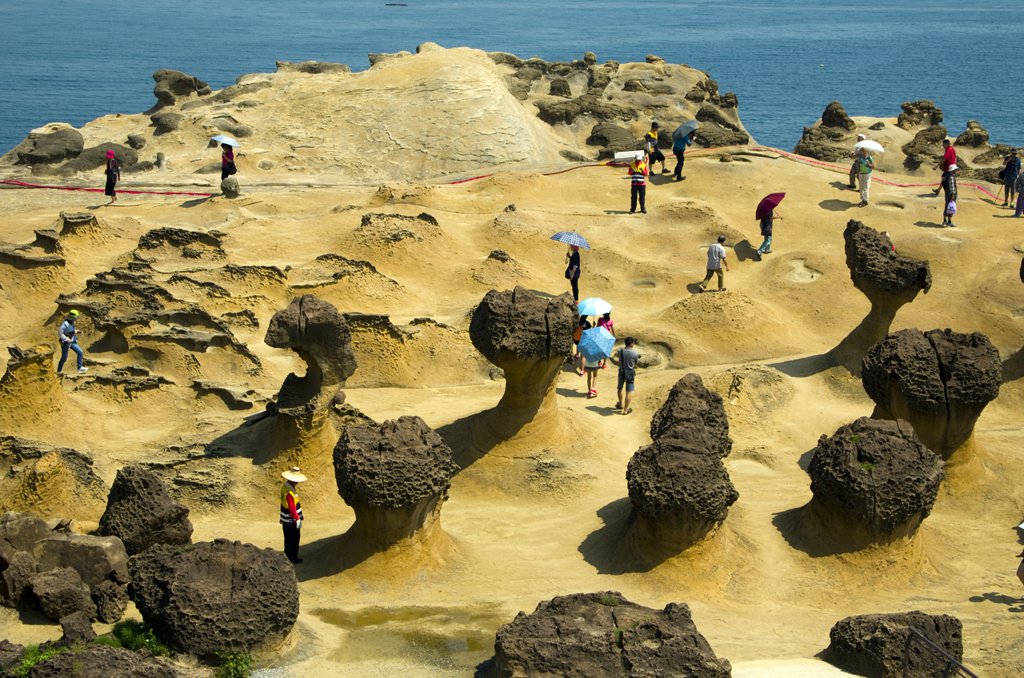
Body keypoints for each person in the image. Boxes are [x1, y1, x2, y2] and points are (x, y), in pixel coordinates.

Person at [280, 467, 306, 564]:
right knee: (294, 538)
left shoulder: (285, 487)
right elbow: (292, 508)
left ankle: (287, 554)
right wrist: (297, 519)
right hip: (291, 520)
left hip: (285, 519)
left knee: (287, 538)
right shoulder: (290, 492)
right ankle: (292, 557)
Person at [56, 309, 87, 375]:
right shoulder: (65, 324)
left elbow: (71, 330)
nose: (77, 319)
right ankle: (59, 371)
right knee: (64, 358)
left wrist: (75, 331)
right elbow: (60, 334)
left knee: (80, 352)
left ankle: (79, 367)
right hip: (65, 343)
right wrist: (67, 339)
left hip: (72, 341)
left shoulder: (73, 323)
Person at [616, 337, 639, 415]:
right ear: (631, 344)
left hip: (621, 371)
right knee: (628, 392)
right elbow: (636, 363)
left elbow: (620, 360)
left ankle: (620, 404)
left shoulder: (620, 351)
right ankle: (625, 410)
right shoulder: (635, 353)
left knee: (619, 389)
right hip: (630, 372)